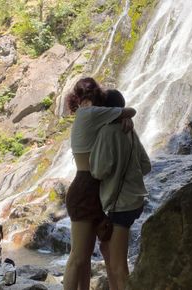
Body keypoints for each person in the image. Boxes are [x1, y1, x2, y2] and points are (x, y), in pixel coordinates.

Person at [63, 78, 136, 290]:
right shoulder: (91, 113)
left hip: (96, 190)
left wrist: (118, 120)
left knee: (83, 258)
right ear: (95, 95)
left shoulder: (89, 115)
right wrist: (124, 117)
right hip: (86, 188)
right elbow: (129, 110)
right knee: (78, 256)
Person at [90, 89, 151, 290]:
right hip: (136, 200)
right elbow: (146, 166)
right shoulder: (130, 130)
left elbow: (98, 171)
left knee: (118, 266)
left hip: (120, 206)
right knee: (107, 251)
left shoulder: (107, 132)